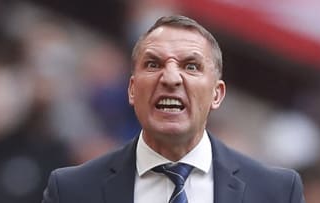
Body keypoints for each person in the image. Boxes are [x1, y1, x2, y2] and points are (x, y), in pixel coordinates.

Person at [42, 15, 305, 203]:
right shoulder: (71, 190)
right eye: (154, 64)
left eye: (191, 66)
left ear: (217, 94)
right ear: (132, 90)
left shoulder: (277, 192)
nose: (170, 78)